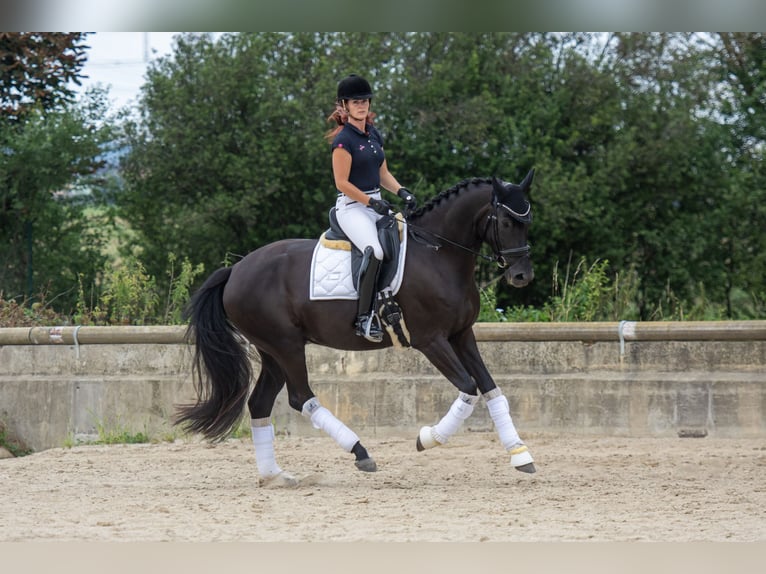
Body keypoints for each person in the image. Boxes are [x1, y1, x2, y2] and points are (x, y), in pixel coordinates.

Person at [325, 74, 416, 342]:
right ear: (345, 105)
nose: (361, 105)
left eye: (365, 100)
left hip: (376, 203)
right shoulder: (343, 141)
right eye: (356, 101)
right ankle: (364, 318)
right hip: (353, 207)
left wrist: (402, 191)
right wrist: (371, 202)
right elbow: (341, 183)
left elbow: (383, 173)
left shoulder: (373, 134)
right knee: (374, 251)